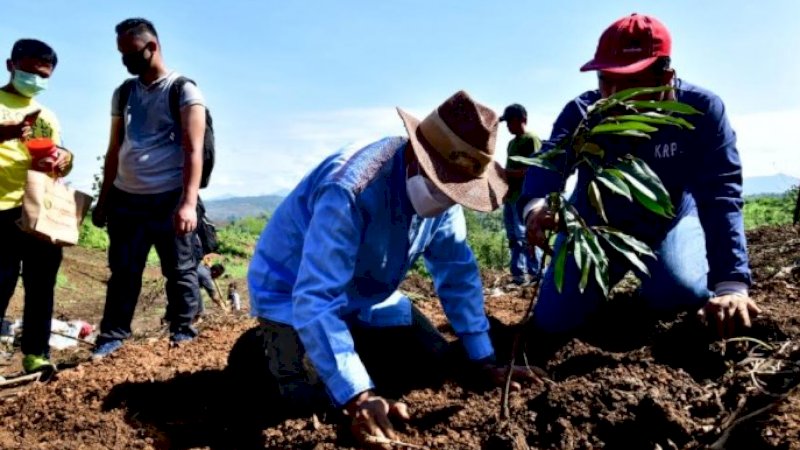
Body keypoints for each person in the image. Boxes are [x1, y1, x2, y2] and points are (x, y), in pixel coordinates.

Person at [245, 91, 538, 447]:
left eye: (455, 192)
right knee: (307, 404)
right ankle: (269, 346)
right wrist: (360, 398)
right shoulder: (351, 190)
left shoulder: (450, 192)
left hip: (370, 294)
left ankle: (351, 351)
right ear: (418, 155)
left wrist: (485, 361)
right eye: (442, 185)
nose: (447, 200)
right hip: (292, 294)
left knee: (437, 365)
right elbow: (316, 297)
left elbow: (457, 272)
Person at [519, 13, 759, 338]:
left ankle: (658, 280)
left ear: (665, 77)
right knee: (552, 323)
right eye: (606, 79)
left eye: (630, 83)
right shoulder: (583, 112)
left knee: (680, 294)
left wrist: (732, 284)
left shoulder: (701, 111)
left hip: (667, 224)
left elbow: (721, 195)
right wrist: (535, 209)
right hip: (594, 227)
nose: (614, 95)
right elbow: (549, 163)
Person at [91, 17, 207, 358]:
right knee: (124, 272)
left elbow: (193, 149)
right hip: (127, 200)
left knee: (180, 269)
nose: (125, 60)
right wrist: (104, 199)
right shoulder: (124, 92)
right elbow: (114, 148)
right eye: (121, 54)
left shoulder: (183, 90)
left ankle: (183, 331)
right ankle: (112, 336)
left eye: (130, 52)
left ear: (151, 47)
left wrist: (187, 203)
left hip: (169, 197)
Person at [0, 39, 73, 375]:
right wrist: (12, 131)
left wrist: (64, 159)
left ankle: (36, 354)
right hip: (2, 209)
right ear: (10, 65)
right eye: (29, 71)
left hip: (38, 209)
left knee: (41, 285)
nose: (35, 79)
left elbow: (54, 161)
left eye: (43, 75)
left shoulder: (48, 115)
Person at [499, 103, 542, 285]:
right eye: (507, 122)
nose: (508, 126)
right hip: (511, 197)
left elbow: (535, 169)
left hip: (526, 198)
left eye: (511, 121)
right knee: (513, 237)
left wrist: (506, 173)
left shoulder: (531, 139)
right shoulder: (511, 144)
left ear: (523, 120)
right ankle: (518, 275)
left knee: (527, 236)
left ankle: (536, 274)